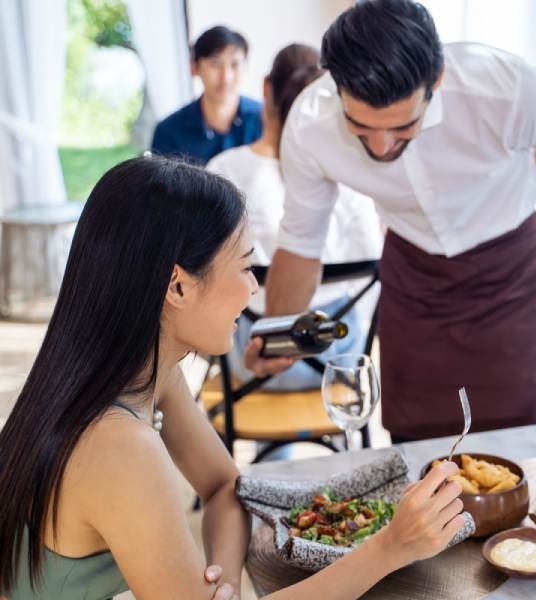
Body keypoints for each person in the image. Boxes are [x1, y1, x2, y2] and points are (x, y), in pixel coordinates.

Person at [0, 156, 465, 599]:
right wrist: (388, 548)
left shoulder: (136, 373)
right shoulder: (120, 446)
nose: (253, 288)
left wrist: (216, 584)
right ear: (177, 286)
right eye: (244, 267)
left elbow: (226, 487)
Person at [246, 0, 536, 441]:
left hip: (507, 274)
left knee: (514, 438)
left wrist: (517, 181)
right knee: (417, 437)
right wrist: (279, 336)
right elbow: (300, 242)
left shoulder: (507, 88)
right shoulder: (310, 124)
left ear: (438, 80)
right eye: (360, 126)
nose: (381, 146)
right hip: (415, 275)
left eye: (402, 126)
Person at [207, 43, 382, 390]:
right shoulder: (351, 177)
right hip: (335, 358)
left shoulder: (224, 172)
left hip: (255, 360)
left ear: (266, 88)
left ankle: (269, 445)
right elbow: (372, 270)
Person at [151, 26, 263, 165]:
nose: (226, 77)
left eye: (235, 65)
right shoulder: (168, 132)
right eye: (215, 64)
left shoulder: (266, 119)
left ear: (246, 67)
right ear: (195, 67)